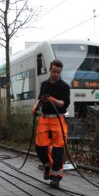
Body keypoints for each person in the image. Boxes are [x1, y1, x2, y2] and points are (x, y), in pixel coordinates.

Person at [32, 59, 70, 188]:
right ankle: (47, 166)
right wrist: (36, 107)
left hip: (58, 120)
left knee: (58, 150)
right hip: (44, 119)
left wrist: (52, 99)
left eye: (58, 72)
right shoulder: (44, 85)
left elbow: (64, 104)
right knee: (40, 147)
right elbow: (40, 100)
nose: (55, 74)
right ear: (50, 70)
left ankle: (56, 177)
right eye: (54, 71)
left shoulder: (64, 87)